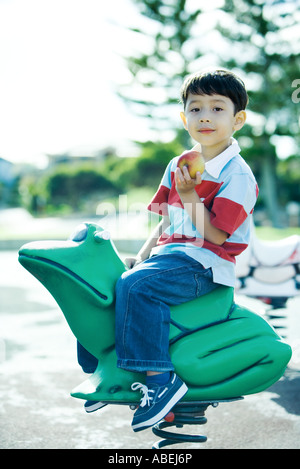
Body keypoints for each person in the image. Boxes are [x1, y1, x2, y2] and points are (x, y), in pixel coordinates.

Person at [114, 69, 258, 432]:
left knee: (138, 287)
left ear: (237, 119)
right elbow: (168, 216)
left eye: (217, 108)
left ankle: (161, 382)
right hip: (171, 256)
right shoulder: (180, 163)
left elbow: (218, 238)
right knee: (113, 281)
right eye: (195, 109)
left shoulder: (237, 175)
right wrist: (146, 251)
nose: (205, 116)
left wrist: (192, 195)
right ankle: (109, 370)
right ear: (184, 118)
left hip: (206, 264)